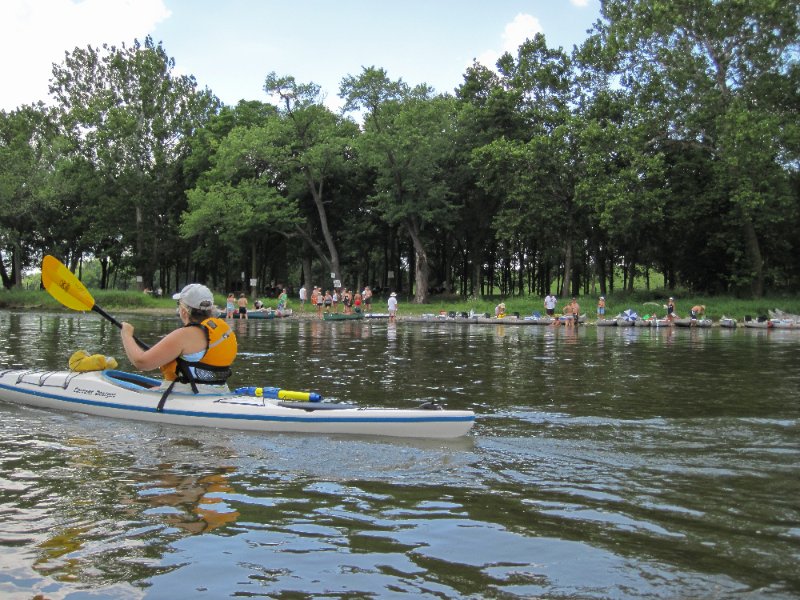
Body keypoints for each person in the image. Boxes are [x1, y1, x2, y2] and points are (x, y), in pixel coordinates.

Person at [120, 283, 237, 395]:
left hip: (189, 394)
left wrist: (127, 334)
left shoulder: (184, 335)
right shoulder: (223, 330)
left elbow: (141, 362)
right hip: (220, 391)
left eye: (178, 303)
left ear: (184, 311)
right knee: (154, 388)